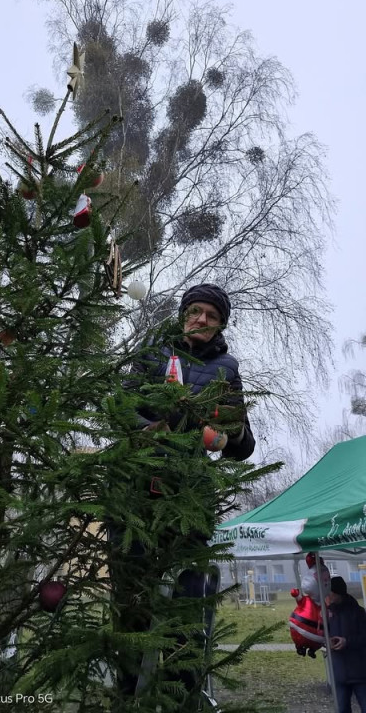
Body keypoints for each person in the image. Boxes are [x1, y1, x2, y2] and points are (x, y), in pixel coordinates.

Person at [109, 283, 255, 699]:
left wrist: (227, 434)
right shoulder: (152, 353)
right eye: (195, 311)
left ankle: (183, 698)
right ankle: (128, 697)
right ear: (183, 315)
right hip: (137, 493)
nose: (201, 319)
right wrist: (149, 430)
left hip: (190, 500)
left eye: (211, 315)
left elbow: (243, 446)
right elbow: (121, 407)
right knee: (133, 599)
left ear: (220, 324)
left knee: (189, 606)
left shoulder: (227, 368)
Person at [328, 576, 366, 713]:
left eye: (331, 592)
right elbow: (322, 634)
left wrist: (347, 641)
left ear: (339, 593)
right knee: (342, 709)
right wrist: (327, 642)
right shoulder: (327, 613)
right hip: (339, 672)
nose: (328, 596)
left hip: (360, 672)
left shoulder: (358, 612)